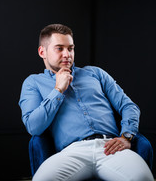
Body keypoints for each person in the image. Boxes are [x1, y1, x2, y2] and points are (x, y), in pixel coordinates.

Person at [19, 24, 154, 181]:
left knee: (142, 177)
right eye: (59, 48)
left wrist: (126, 136)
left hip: (111, 148)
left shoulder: (95, 73)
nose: (67, 54)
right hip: (72, 152)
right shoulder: (33, 83)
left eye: (70, 48)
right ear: (42, 52)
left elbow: (128, 106)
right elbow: (33, 126)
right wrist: (58, 90)